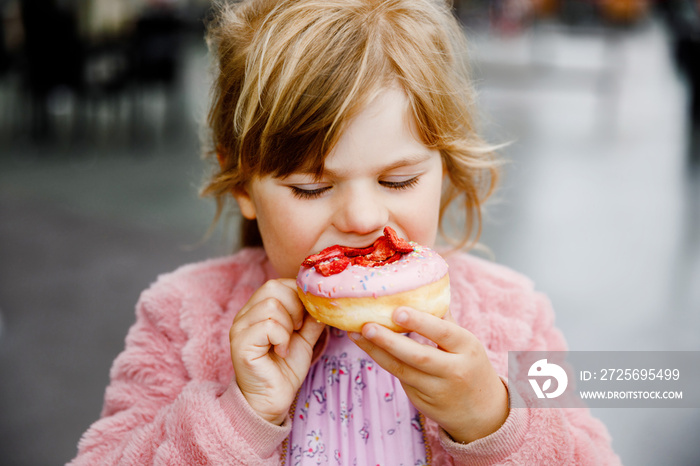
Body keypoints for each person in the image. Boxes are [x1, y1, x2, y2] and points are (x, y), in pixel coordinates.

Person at [69, 0, 621, 464]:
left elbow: (591, 455)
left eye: (398, 180)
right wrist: (240, 418)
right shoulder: (181, 317)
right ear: (242, 184)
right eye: (311, 188)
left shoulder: (513, 315)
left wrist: (493, 419)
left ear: (445, 169)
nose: (362, 219)